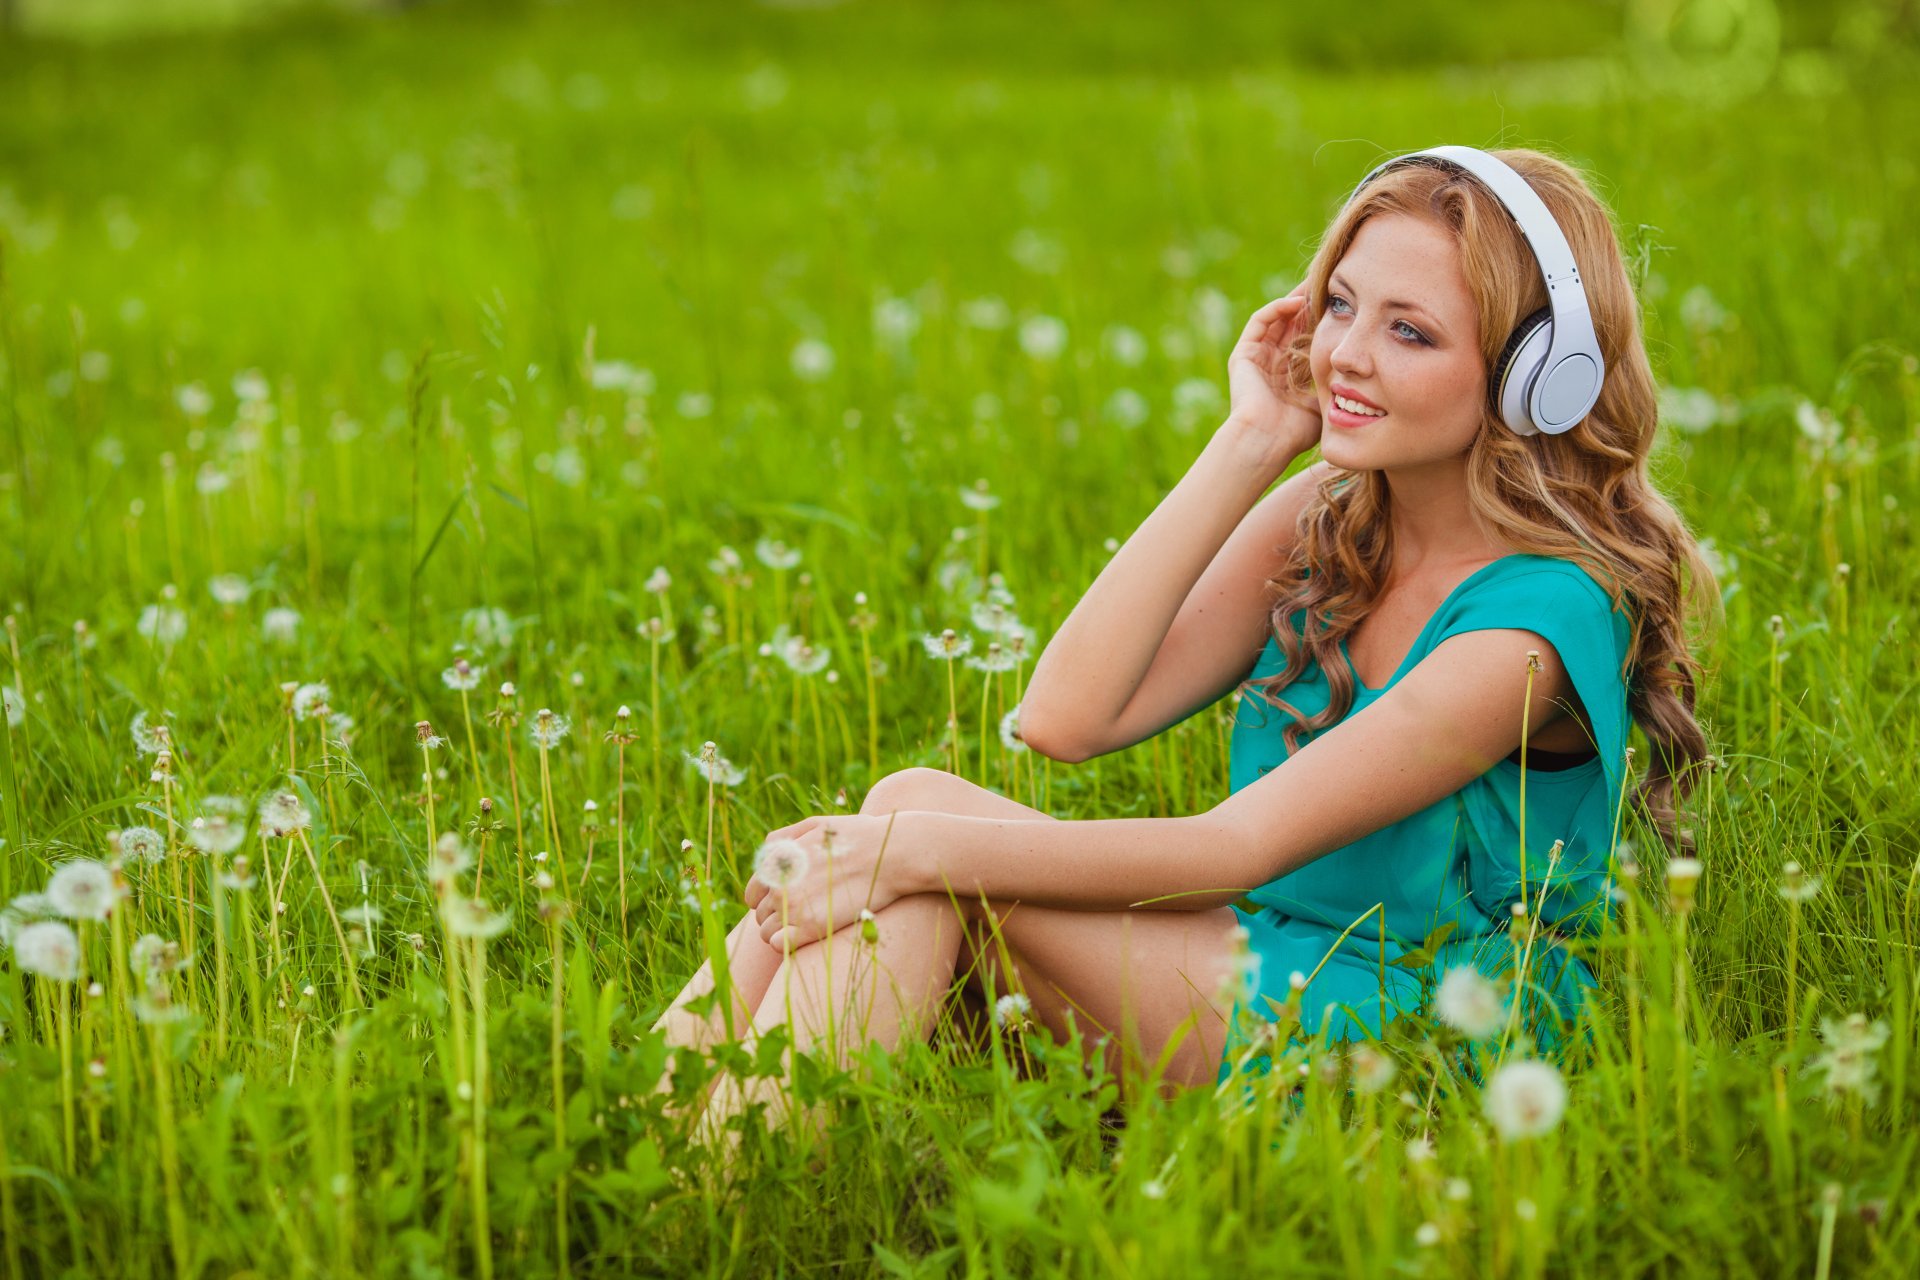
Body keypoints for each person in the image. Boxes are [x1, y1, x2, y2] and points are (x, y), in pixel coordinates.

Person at [653, 146, 1718, 1137]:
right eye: (1340, 304)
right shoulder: (1334, 516)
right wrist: (1251, 437)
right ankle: (664, 1139)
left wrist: (914, 845)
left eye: (1410, 332)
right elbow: (1066, 719)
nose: (1345, 353)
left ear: (1536, 378)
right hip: (1264, 957)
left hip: (1416, 1024)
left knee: (914, 845)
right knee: (908, 819)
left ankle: (700, 1173)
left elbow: (1233, 849)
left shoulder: (1539, 620)